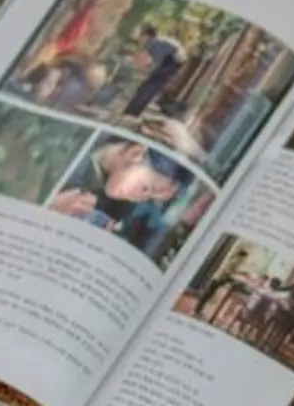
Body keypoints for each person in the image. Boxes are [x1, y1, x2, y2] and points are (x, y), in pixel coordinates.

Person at [50, 139, 191, 254]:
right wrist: (51, 207)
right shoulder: (68, 152)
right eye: (145, 188)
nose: (141, 198)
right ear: (135, 153)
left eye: (149, 198)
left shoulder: (109, 202)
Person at [123, 23, 188, 120]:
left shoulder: (155, 42)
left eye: (141, 36)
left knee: (149, 86)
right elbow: (148, 61)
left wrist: (141, 68)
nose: (140, 39)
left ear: (146, 35)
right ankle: (133, 110)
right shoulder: (155, 41)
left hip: (174, 60)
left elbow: (153, 62)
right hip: (174, 59)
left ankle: (133, 111)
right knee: (149, 85)